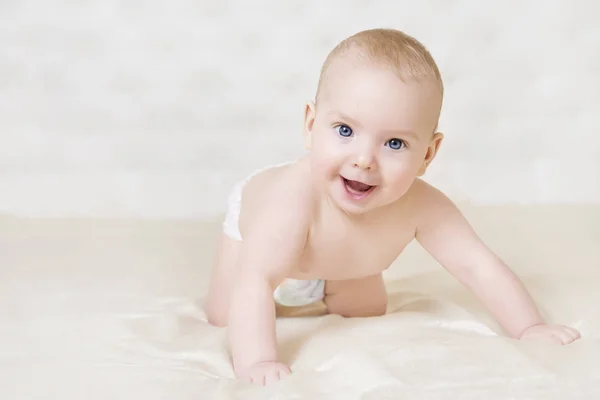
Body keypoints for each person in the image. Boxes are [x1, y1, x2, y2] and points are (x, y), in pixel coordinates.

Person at [203, 28, 581, 385]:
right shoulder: (289, 201)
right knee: (226, 316)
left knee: (365, 312)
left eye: (395, 143)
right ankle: (301, 285)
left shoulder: (422, 205)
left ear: (428, 154)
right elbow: (256, 279)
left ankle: (325, 282)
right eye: (345, 131)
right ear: (310, 125)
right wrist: (259, 362)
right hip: (255, 226)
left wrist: (529, 327)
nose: (364, 159)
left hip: (348, 259)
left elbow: (477, 265)